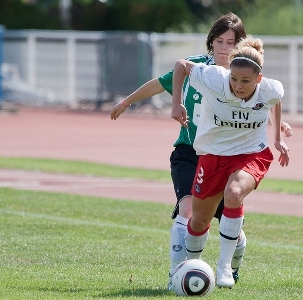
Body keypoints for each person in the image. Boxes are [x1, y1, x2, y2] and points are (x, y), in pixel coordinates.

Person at [110, 12, 292, 290]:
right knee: (190, 214)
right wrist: (128, 102)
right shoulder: (202, 71)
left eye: (231, 42)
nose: (224, 47)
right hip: (193, 152)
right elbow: (162, 82)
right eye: (219, 41)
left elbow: (261, 100)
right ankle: (177, 274)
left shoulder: (251, 79)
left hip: (237, 153)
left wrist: (277, 130)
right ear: (212, 42)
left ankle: (229, 267)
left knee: (232, 216)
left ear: (240, 47)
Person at [170, 36, 290, 288]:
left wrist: (277, 138)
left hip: (250, 153)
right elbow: (181, 65)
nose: (237, 85)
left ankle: (224, 267)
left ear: (259, 79)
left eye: (245, 81)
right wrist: (176, 104)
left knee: (234, 192)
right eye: (234, 79)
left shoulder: (271, 88)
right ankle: (189, 269)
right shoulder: (213, 77)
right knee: (199, 221)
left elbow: (275, 99)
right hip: (212, 155)